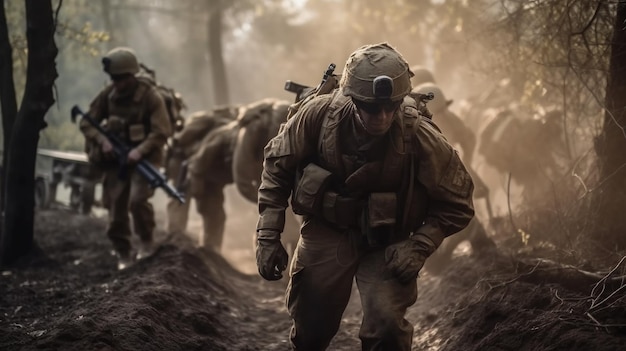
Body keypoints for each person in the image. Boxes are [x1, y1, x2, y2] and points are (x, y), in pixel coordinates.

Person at [255, 42, 475, 350]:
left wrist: (421, 244)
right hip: (327, 228)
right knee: (311, 327)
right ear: (350, 98)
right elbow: (277, 168)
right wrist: (268, 235)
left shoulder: (419, 135)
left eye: (391, 107)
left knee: (386, 328)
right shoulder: (316, 116)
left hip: (389, 240)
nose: (382, 116)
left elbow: (459, 201)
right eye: (370, 107)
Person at [80, 46, 171, 270]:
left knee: (138, 200)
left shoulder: (151, 97)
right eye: (113, 78)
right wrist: (102, 140)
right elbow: (86, 122)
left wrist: (139, 151)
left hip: (145, 158)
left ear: (132, 75)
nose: (117, 83)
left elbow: (161, 131)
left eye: (121, 78)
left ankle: (146, 241)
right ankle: (123, 252)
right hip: (116, 160)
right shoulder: (107, 96)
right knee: (115, 208)